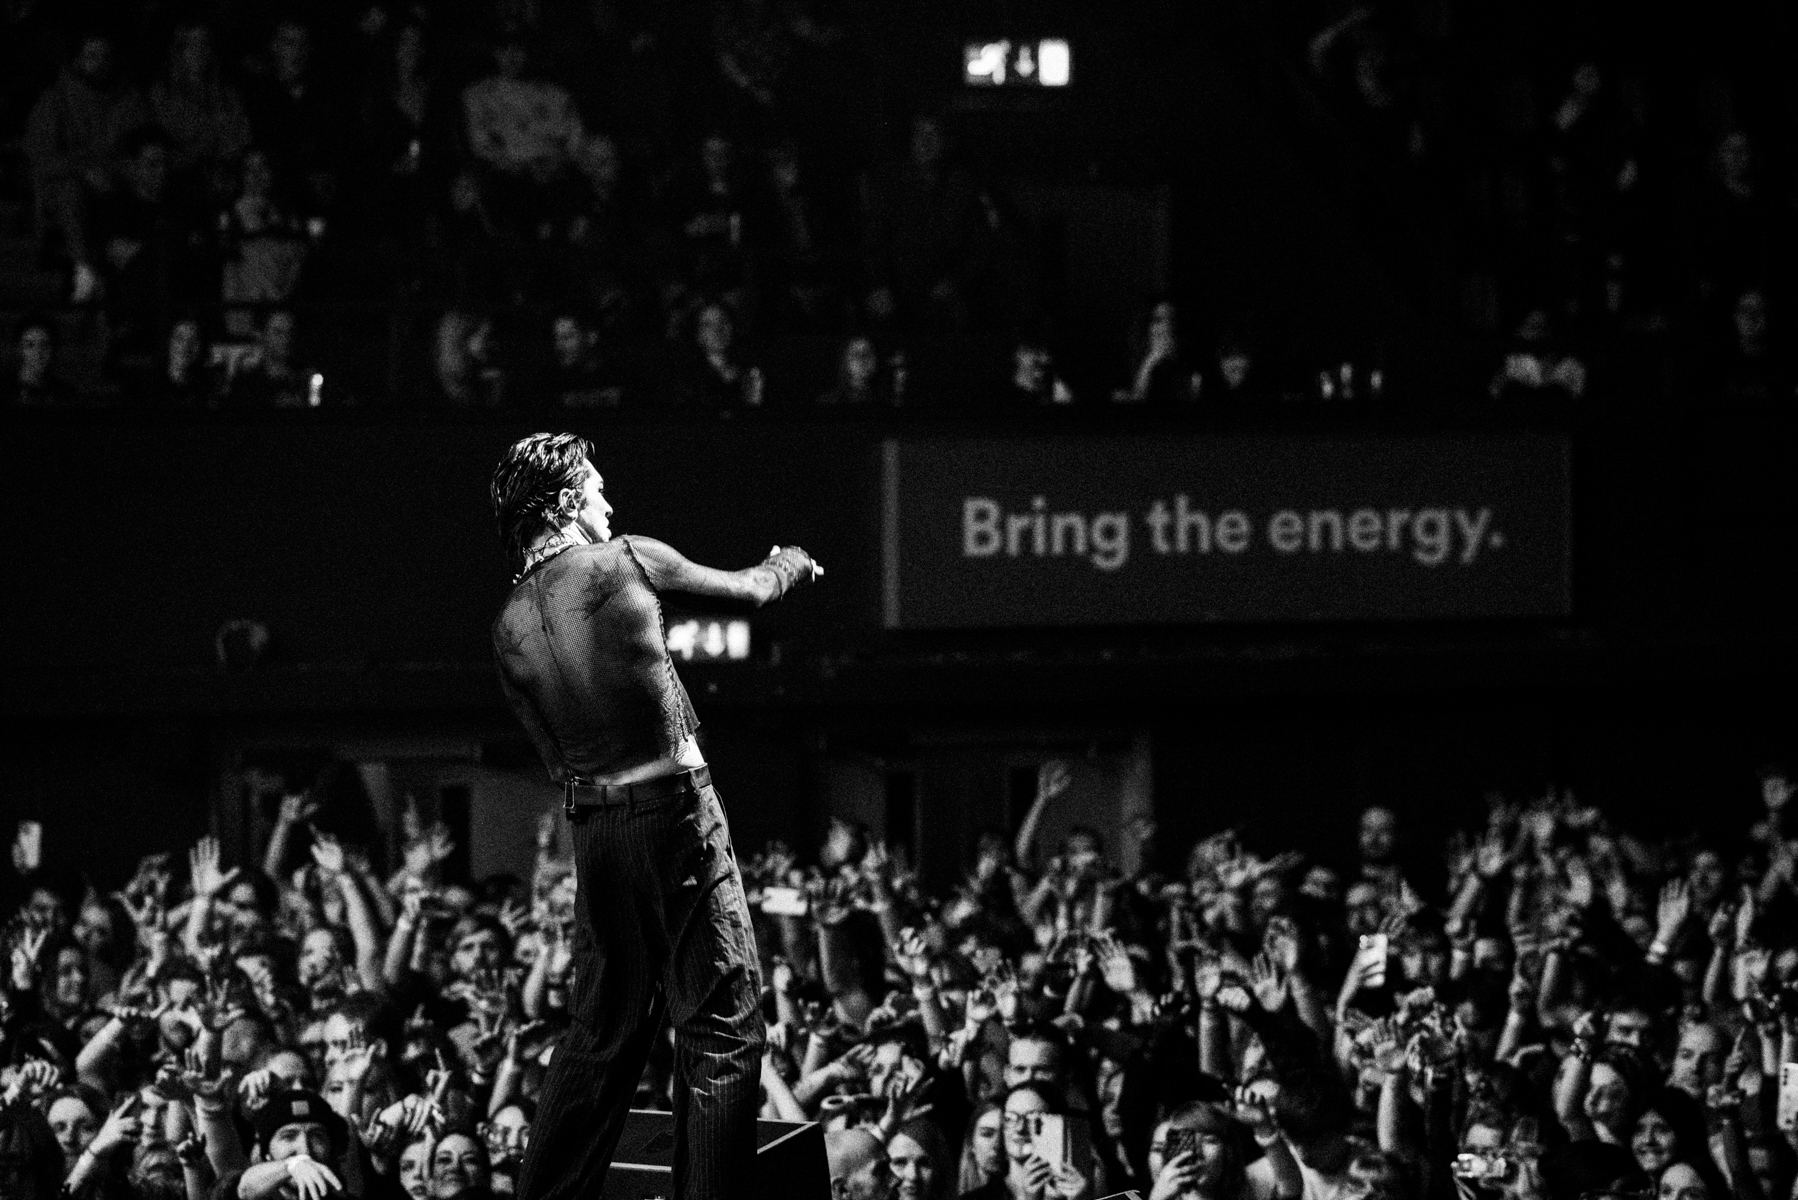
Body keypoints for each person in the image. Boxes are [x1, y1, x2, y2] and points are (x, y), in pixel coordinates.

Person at [487, 433, 822, 1200]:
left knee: (600, 1035)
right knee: (721, 1027)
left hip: (596, 829)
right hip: (675, 817)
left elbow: (554, 758)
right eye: (595, 487)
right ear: (565, 501)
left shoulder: (506, 627)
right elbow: (749, 591)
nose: (608, 501)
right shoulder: (624, 560)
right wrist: (789, 563)